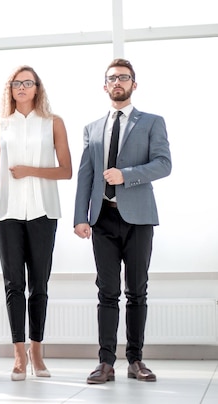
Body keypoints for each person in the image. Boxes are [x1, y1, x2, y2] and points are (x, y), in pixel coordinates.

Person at [73, 58, 172, 384]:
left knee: (137, 292)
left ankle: (135, 360)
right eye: (112, 78)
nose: (118, 82)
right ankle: (105, 363)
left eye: (124, 77)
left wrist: (124, 175)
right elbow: (85, 176)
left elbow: (163, 164)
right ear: (105, 86)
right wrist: (80, 218)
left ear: (133, 84)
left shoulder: (152, 122)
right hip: (102, 219)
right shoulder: (92, 128)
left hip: (139, 219)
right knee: (107, 292)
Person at [0, 66, 72, 381]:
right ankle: (18, 354)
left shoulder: (53, 124)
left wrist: (30, 170)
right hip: (6, 213)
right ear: (9, 89)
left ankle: (37, 352)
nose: (21, 88)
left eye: (28, 83)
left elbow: (66, 170)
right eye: (16, 83)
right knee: (13, 285)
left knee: (39, 284)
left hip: (43, 212)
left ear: (37, 88)